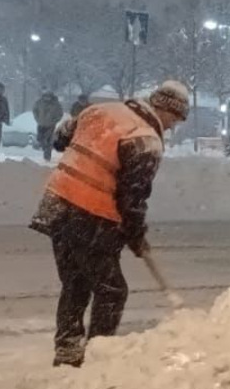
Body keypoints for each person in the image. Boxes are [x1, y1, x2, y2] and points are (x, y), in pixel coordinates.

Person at [29, 80, 191, 367]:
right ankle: (97, 356)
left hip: (57, 205)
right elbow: (132, 200)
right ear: (163, 108)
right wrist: (136, 236)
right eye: (174, 119)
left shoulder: (101, 111)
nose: (172, 126)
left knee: (76, 283)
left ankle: (67, 349)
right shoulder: (146, 141)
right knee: (112, 291)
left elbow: (59, 138)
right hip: (90, 216)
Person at [32, 90, 64, 162]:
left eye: (49, 96)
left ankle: (47, 156)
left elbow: (60, 114)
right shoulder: (39, 102)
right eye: (46, 96)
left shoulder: (56, 104)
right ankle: (45, 149)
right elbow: (34, 110)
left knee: (48, 141)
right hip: (41, 124)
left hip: (50, 125)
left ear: (51, 97)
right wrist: (37, 118)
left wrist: (54, 121)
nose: (47, 98)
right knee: (40, 139)